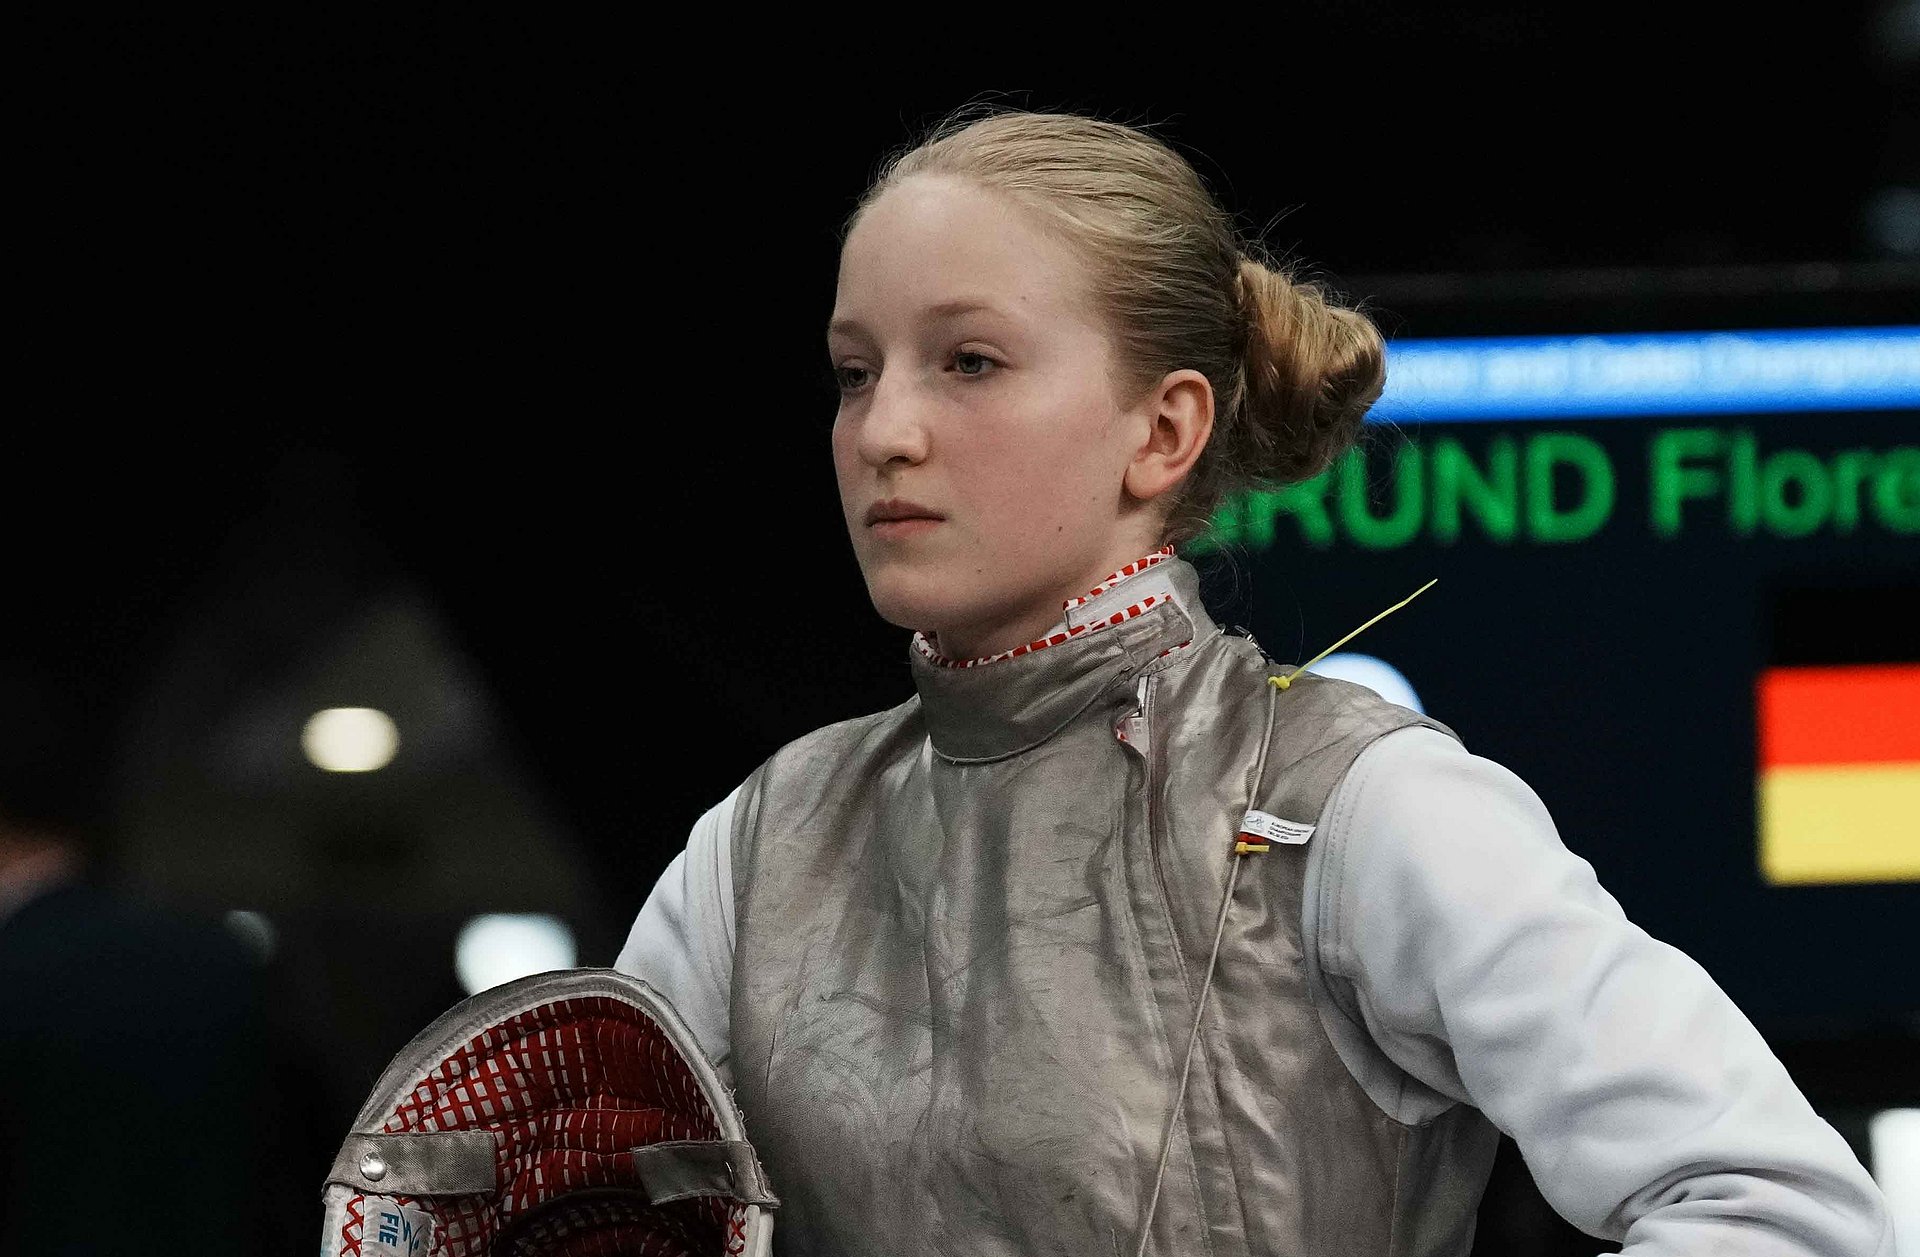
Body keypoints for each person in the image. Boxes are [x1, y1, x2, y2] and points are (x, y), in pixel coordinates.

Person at [615, 106, 1895, 1256]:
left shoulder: (1357, 807)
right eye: (856, 372)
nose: (885, 431)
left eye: (970, 363)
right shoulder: (763, 848)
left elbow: (1783, 1209)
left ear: (1164, 430)